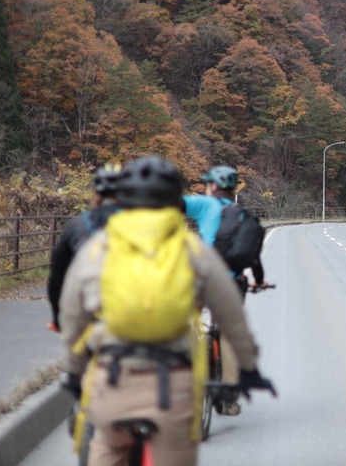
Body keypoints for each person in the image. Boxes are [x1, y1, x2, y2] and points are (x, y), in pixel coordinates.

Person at [59, 155, 275, 466]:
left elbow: (72, 319)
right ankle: (224, 389)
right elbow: (235, 318)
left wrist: (74, 371)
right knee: (222, 329)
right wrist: (250, 370)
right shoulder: (197, 250)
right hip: (169, 388)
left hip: (113, 381)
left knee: (107, 446)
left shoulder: (98, 250)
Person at [182, 165, 266, 416]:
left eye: (207, 185)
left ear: (213, 186)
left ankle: (188, 371)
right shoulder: (243, 215)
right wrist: (259, 280)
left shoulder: (204, 205)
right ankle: (229, 397)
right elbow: (253, 257)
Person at [47, 163, 122, 332]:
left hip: (86, 305)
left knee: (76, 353)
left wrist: (57, 318)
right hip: (131, 310)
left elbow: (57, 276)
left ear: (96, 194)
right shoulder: (140, 224)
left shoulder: (78, 224)